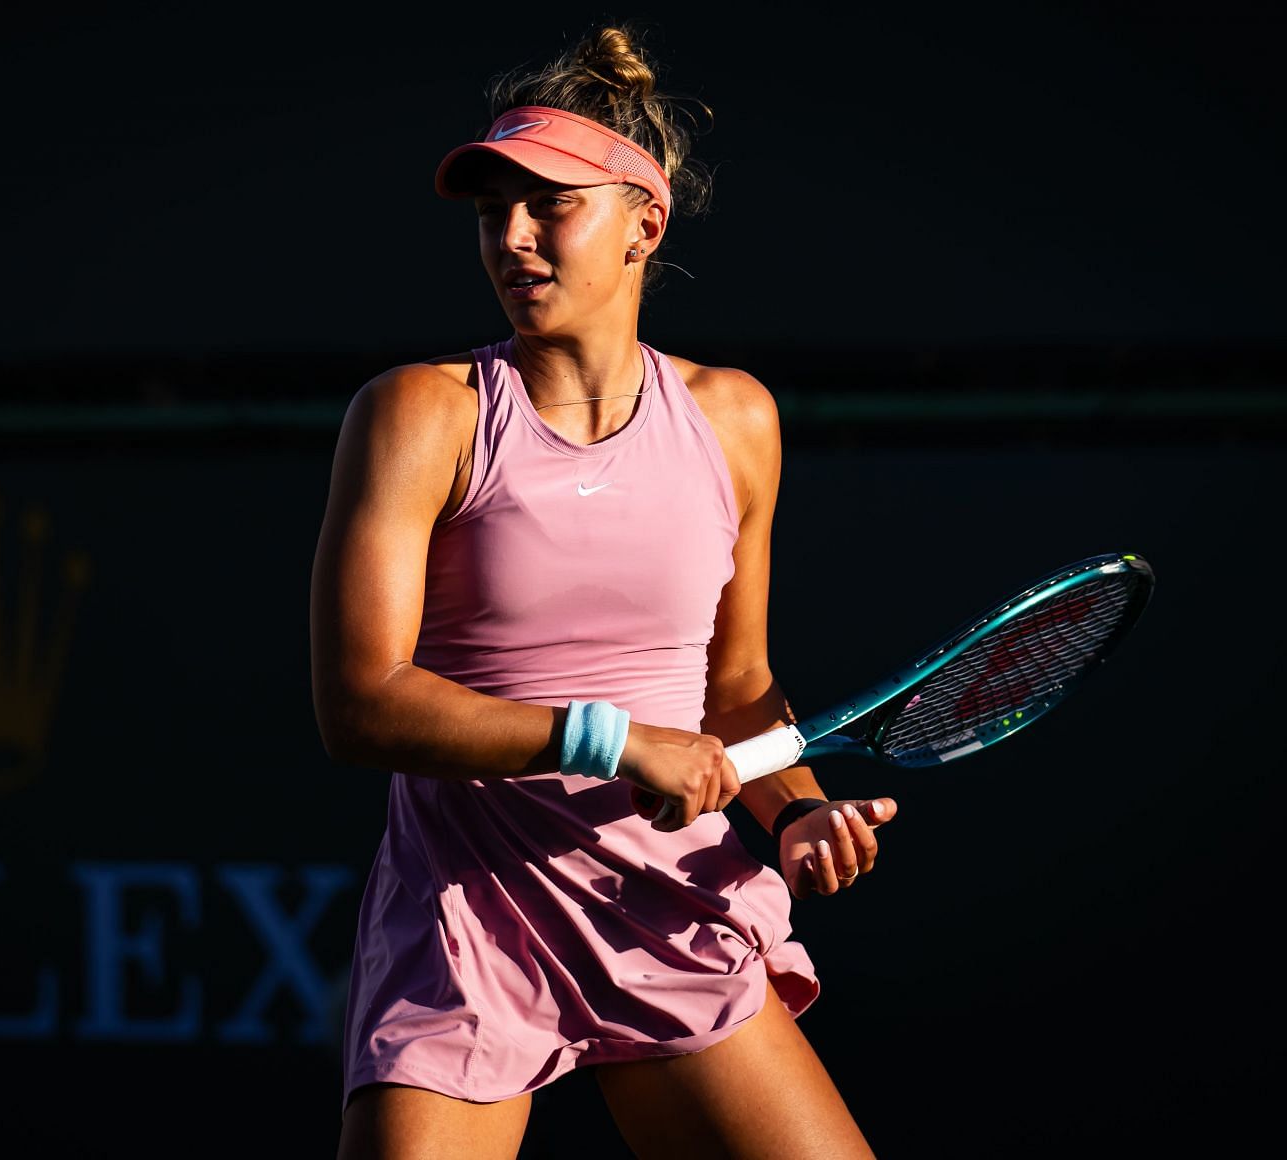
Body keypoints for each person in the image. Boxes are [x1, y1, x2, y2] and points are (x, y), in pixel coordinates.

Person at [309, 22, 897, 1159]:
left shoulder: (735, 420)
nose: (512, 237)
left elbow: (740, 686)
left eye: (550, 205)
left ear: (644, 224)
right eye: (493, 209)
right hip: (468, 915)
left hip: (669, 903)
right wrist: (617, 741)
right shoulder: (420, 414)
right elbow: (360, 703)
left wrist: (795, 808)